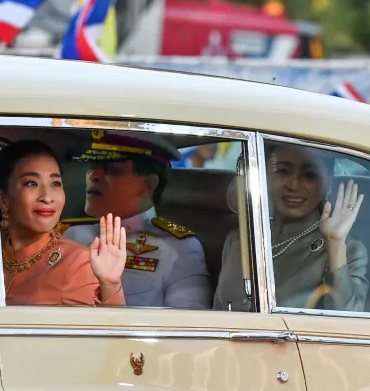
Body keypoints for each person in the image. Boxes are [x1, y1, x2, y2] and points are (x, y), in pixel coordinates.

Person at [62, 130, 212, 309]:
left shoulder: (179, 249)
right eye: (92, 165)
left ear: (148, 185)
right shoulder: (70, 234)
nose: (92, 175)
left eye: (112, 168)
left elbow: (187, 329)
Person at [214, 142, 369, 312]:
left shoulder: (348, 251)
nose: (293, 185)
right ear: (264, 175)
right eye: (282, 171)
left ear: (328, 180)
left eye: (309, 175)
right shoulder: (239, 238)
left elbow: (346, 325)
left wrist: (335, 244)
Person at [0, 139, 127, 306]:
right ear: (3, 199)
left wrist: (110, 285)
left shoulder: (78, 263)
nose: (47, 197)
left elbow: (104, 330)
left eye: (55, 184)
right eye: (31, 183)